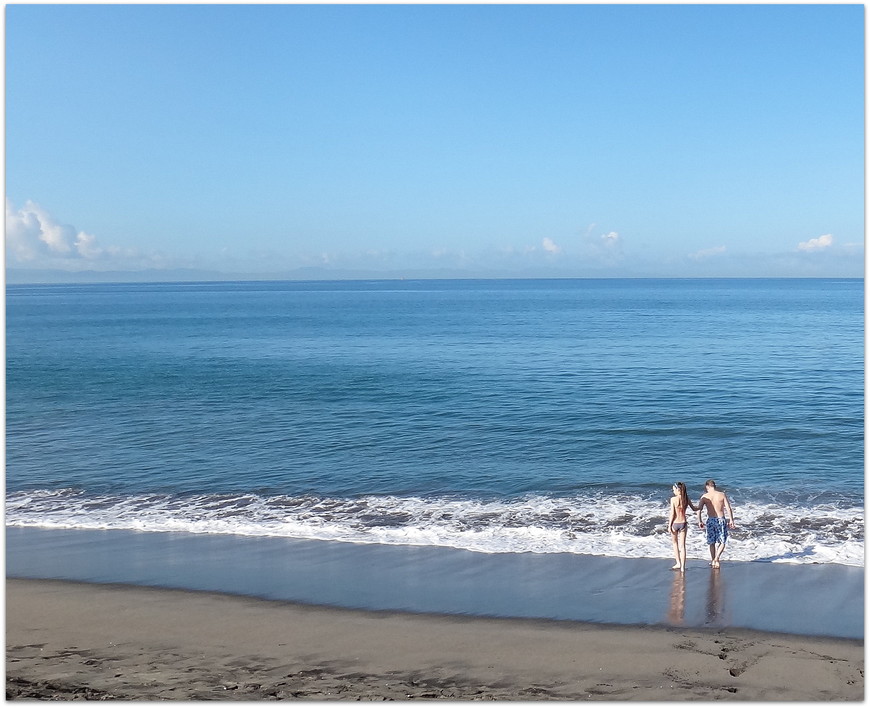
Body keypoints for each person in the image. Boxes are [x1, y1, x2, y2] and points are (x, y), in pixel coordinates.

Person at [697, 479, 735, 568]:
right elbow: (728, 508)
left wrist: (699, 521)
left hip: (710, 520)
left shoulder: (704, 496)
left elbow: (699, 509)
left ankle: (713, 560)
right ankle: (717, 558)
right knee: (723, 541)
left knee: (711, 542)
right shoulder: (722, 495)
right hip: (720, 520)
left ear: (707, 486)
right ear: (714, 486)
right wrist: (731, 520)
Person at [667, 482, 697, 572]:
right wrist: (701, 507)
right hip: (683, 523)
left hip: (675, 523)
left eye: (673, 489)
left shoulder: (673, 499)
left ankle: (678, 563)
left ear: (677, 490)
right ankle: (683, 567)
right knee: (682, 546)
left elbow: (672, 514)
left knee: (675, 544)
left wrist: (669, 525)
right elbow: (694, 508)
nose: (673, 491)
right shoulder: (686, 499)